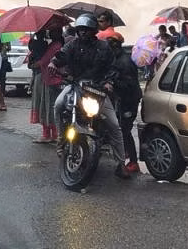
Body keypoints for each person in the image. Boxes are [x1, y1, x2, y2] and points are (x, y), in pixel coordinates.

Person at [49, 13, 128, 179]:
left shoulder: (104, 48)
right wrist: (53, 63)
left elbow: (112, 68)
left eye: (86, 30)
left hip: (97, 90)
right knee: (58, 105)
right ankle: (61, 140)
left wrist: (109, 83)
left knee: (114, 125)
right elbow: (60, 57)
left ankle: (121, 163)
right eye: (80, 30)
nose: (83, 33)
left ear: (93, 31)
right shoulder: (72, 45)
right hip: (75, 85)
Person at [106, 31, 142, 175]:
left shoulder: (124, 62)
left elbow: (129, 85)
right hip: (124, 100)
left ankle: (133, 162)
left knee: (125, 131)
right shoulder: (117, 59)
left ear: (115, 46)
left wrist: (114, 83)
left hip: (129, 101)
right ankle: (126, 154)